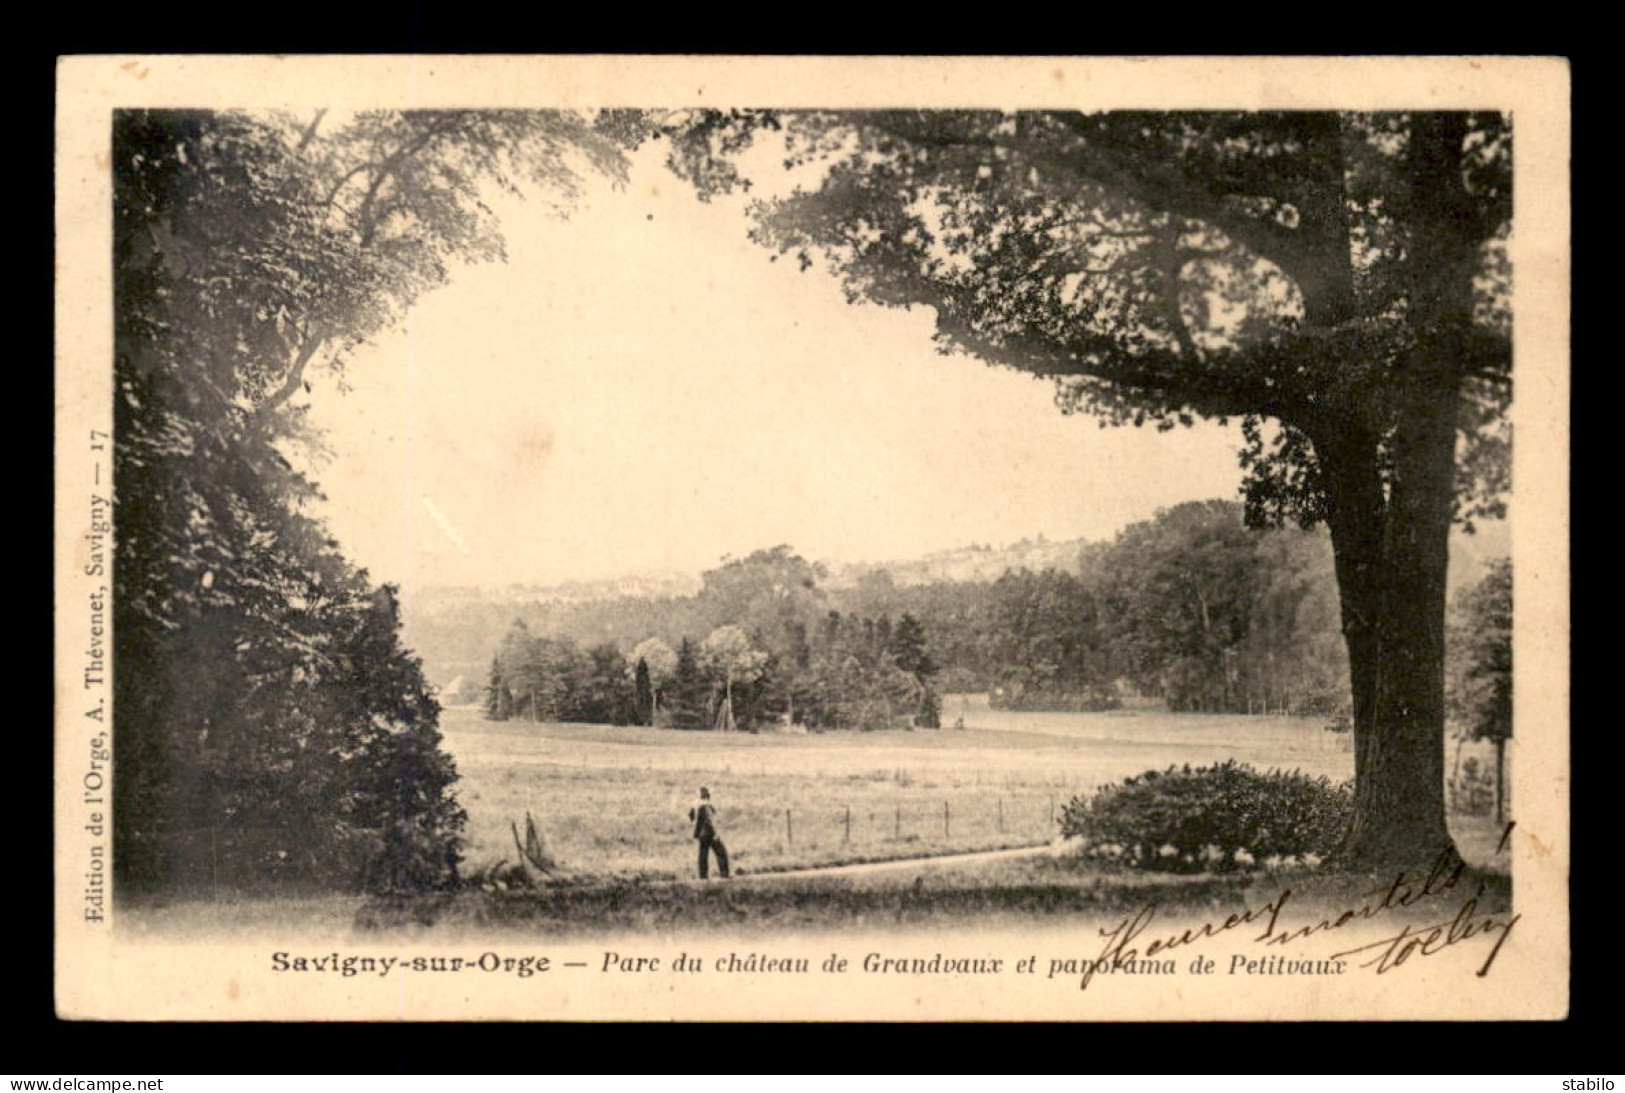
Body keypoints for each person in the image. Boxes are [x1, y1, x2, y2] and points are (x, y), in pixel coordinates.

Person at [688, 786, 730, 880]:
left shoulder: (695, 805)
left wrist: (696, 825)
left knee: (703, 854)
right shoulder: (707, 806)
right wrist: (715, 833)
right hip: (709, 833)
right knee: (721, 852)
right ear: (707, 795)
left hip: (701, 834)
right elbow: (710, 820)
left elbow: (691, 816)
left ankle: (703, 876)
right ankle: (724, 874)